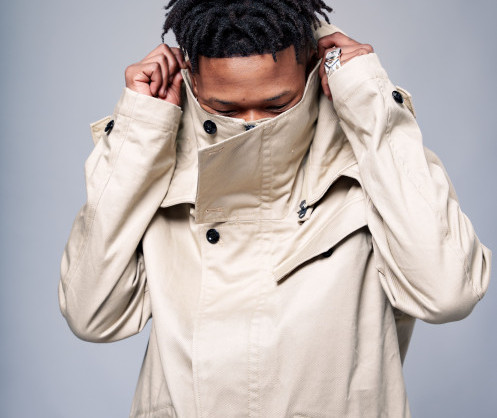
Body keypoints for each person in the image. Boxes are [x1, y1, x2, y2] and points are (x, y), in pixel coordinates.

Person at [58, 1, 491, 417]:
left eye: (277, 105)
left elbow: (448, 292)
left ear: (311, 63)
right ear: (190, 74)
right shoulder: (158, 154)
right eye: (224, 108)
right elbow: (92, 315)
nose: (252, 124)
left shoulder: (364, 153)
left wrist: (370, 101)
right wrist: (139, 126)